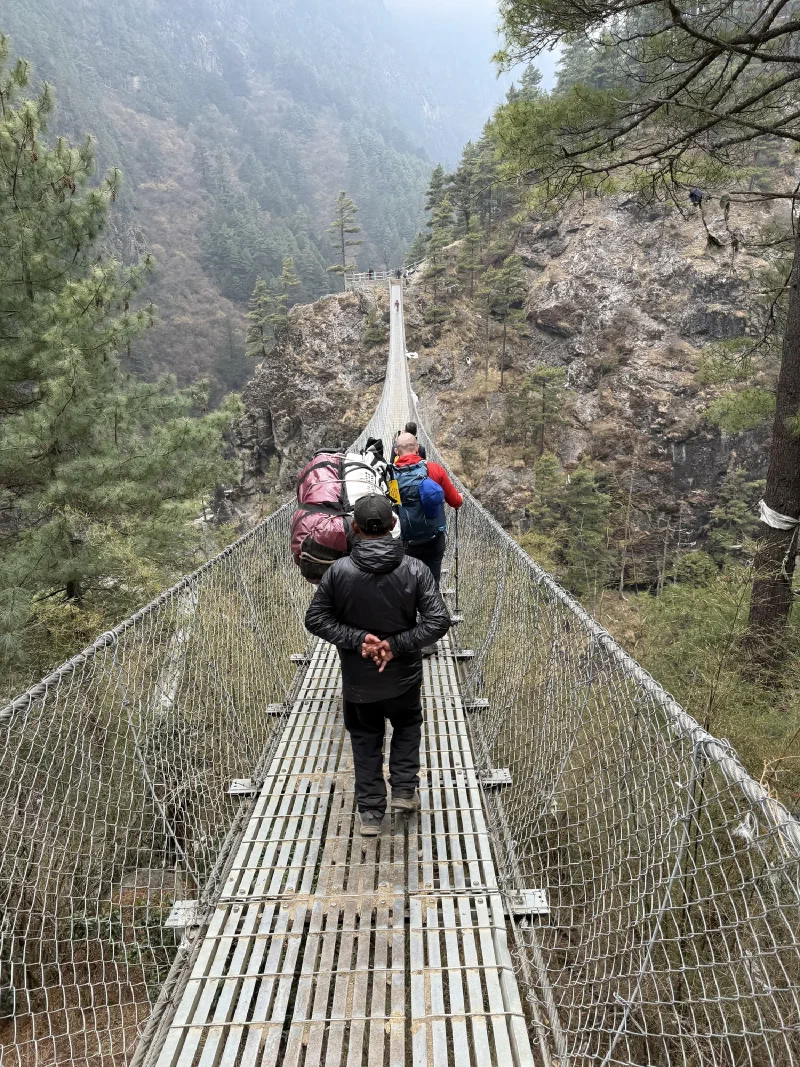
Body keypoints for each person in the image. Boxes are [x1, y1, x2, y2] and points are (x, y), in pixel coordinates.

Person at [305, 494, 450, 836]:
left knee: (365, 739)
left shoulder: (338, 571)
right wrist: (394, 645)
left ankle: (371, 813)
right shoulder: (414, 568)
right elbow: (438, 621)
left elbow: (316, 619)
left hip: (358, 680)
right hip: (403, 676)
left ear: (353, 528)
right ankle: (403, 790)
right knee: (408, 725)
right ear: (394, 525)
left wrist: (359, 640)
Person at [393, 431, 462, 590]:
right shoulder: (434, 469)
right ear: (417, 448)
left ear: (396, 451)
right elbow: (455, 501)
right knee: (432, 585)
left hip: (406, 542)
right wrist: (460, 497)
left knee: (408, 586)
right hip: (433, 539)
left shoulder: (390, 475)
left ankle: (411, 611)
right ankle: (431, 611)